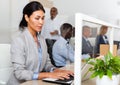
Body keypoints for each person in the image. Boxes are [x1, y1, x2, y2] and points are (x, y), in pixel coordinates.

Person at [7, 1, 73, 85]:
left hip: (35, 82)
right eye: (37, 18)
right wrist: (48, 75)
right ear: (27, 17)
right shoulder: (19, 41)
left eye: (43, 18)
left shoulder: (41, 39)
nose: (41, 22)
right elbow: (20, 73)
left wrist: (55, 70)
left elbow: (47, 63)